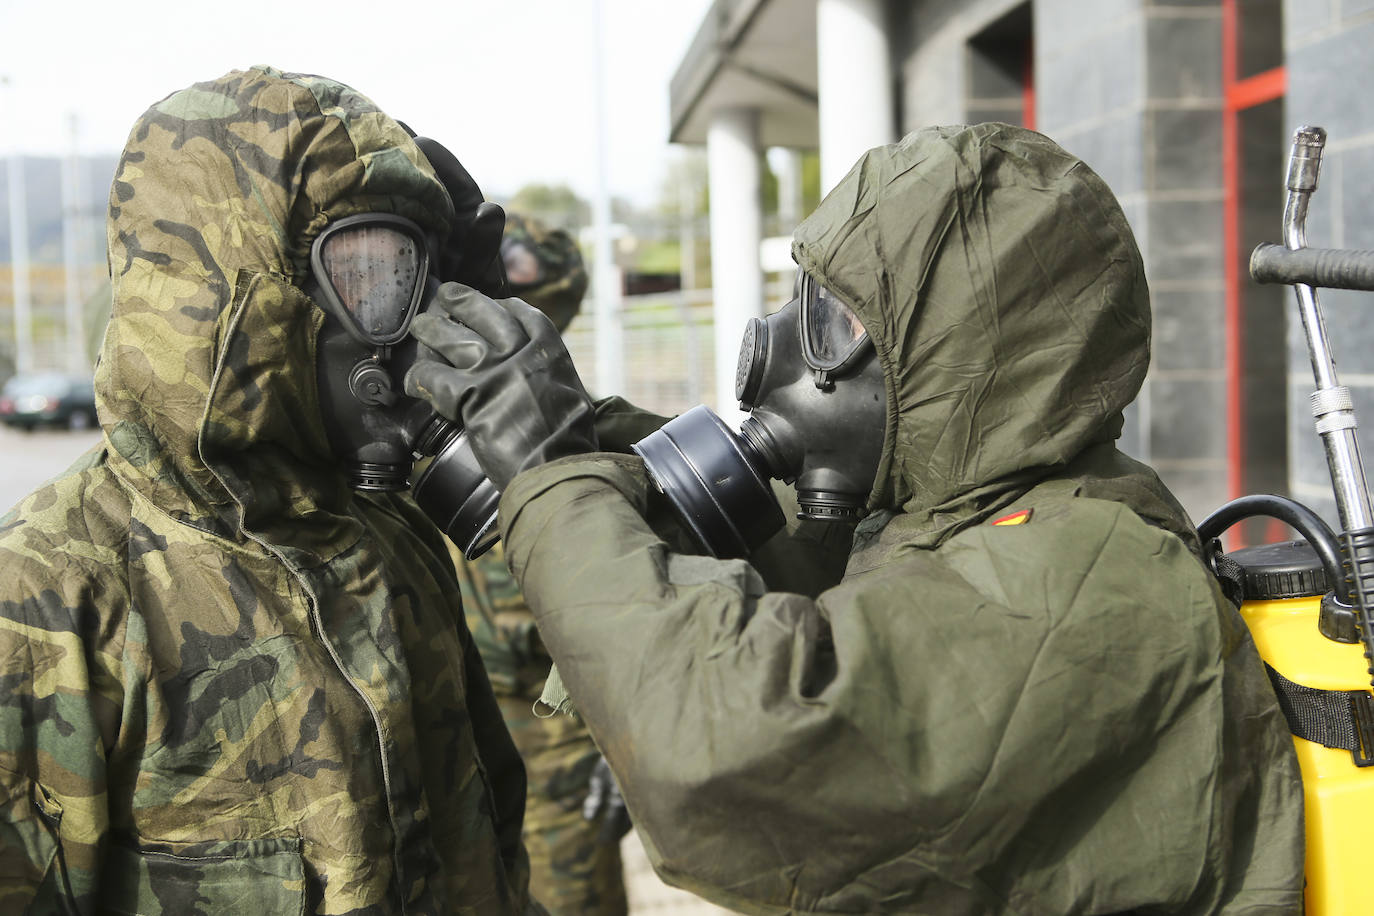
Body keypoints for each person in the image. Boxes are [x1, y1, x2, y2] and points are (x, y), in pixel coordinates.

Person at [403, 123, 1306, 913]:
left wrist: (550, 476)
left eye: (834, 319)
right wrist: (531, 386)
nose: (785, 347)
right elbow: (727, 540)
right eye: (804, 298)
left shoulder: (1084, 578)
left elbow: (719, 751)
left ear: (967, 353)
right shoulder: (935, 508)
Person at [0, 66, 540, 915]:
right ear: (238, 295)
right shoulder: (52, 595)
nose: (406, 322)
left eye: (413, 274)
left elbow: (496, 844)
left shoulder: (391, 540)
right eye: (366, 275)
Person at [450, 212, 630, 916]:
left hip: (555, 744)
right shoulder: (418, 420)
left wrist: (625, 748)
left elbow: (622, 605)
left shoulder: (572, 436)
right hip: (456, 726)